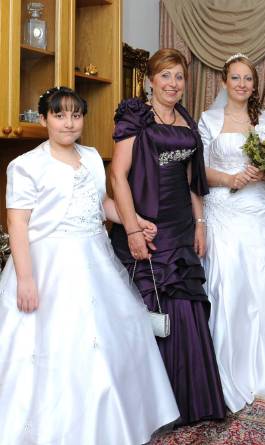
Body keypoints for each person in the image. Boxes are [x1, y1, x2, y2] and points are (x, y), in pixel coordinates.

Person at [0, 87, 180, 444]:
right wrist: (25, 279)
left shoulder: (93, 157)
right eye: (59, 115)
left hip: (95, 258)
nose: (69, 123)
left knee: (113, 337)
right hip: (49, 266)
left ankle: (112, 425)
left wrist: (134, 222)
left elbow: (102, 206)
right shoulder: (25, 166)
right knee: (55, 346)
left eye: (76, 115)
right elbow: (17, 223)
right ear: (44, 119)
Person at [109, 48, 226, 425]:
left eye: (179, 77)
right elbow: (117, 176)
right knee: (152, 308)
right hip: (148, 223)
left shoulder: (186, 120)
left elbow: (192, 180)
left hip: (181, 225)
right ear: (150, 80)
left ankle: (192, 402)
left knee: (187, 305)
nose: (173, 84)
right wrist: (132, 228)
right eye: (165, 76)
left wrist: (200, 223)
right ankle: (152, 409)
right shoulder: (135, 116)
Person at [198, 54, 265, 413]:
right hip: (222, 209)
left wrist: (264, 172)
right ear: (224, 82)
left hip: (259, 209)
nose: (242, 84)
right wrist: (230, 178)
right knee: (229, 283)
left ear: (254, 85)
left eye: (248, 79)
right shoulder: (208, 120)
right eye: (236, 78)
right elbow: (199, 169)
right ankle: (229, 369)